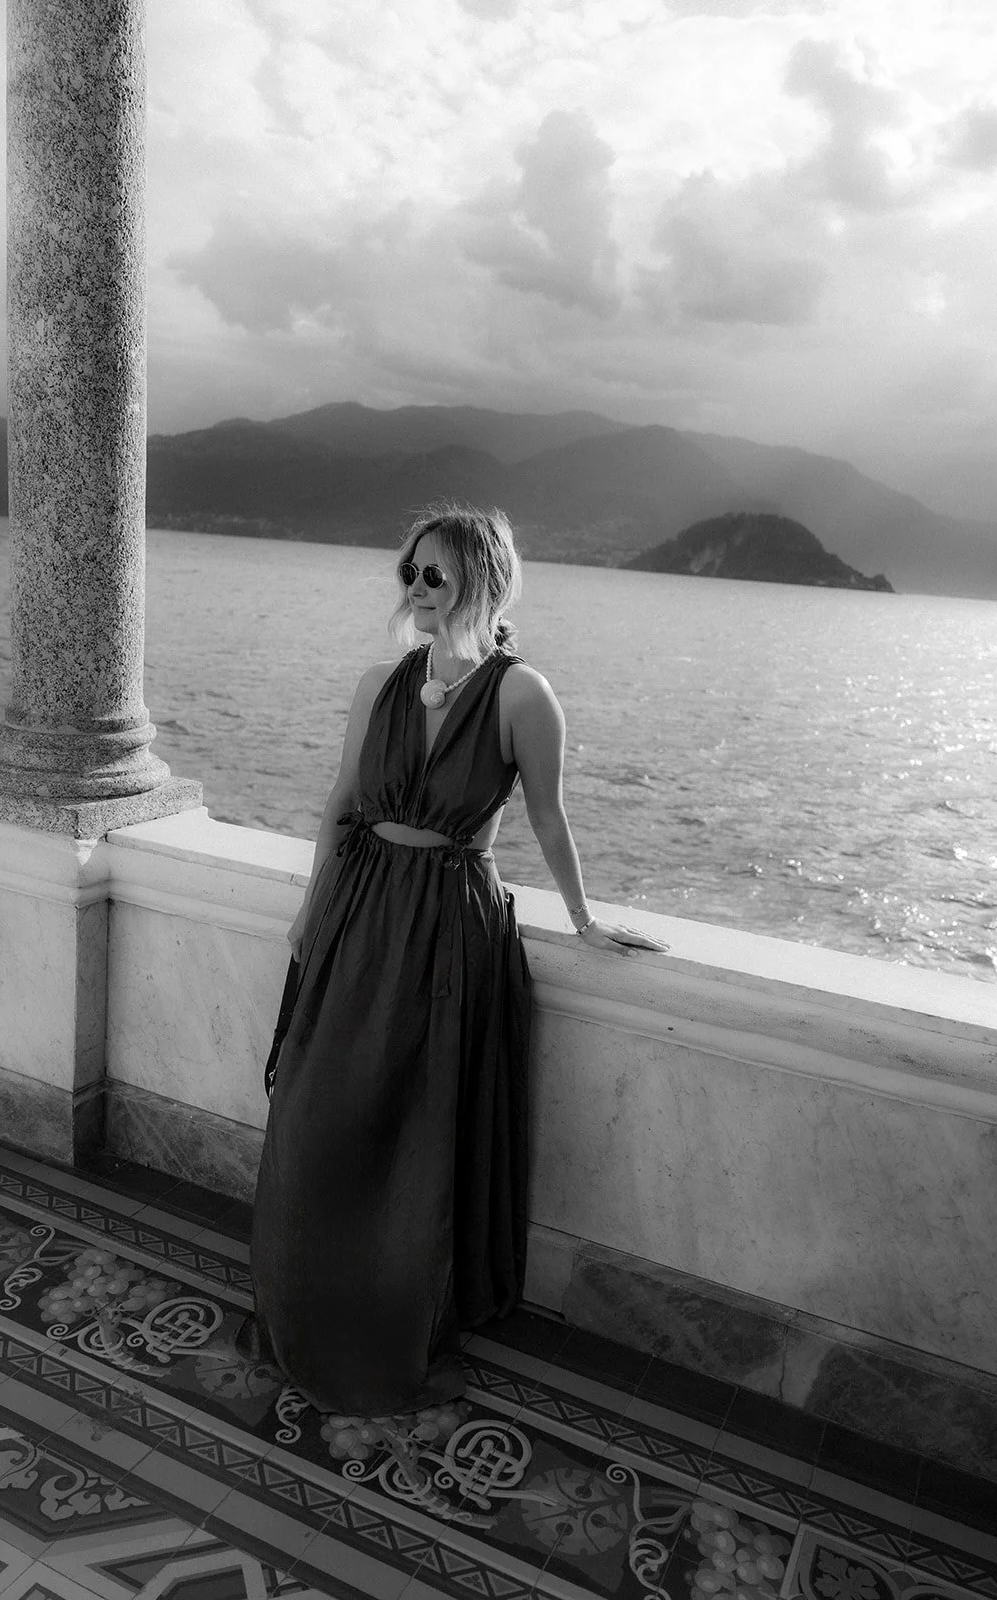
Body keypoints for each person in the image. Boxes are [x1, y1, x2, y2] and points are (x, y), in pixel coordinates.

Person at [250, 502, 668, 1423]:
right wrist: (311, 910)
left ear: (483, 581)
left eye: (433, 574)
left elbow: (550, 821)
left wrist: (586, 920)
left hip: (449, 926)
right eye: (408, 572)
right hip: (361, 913)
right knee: (319, 1116)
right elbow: (339, 807)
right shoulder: (380, 683)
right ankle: (306, 1298)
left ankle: (404, 1310)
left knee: (420, 1132)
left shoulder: (525, 697)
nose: (415, 589)